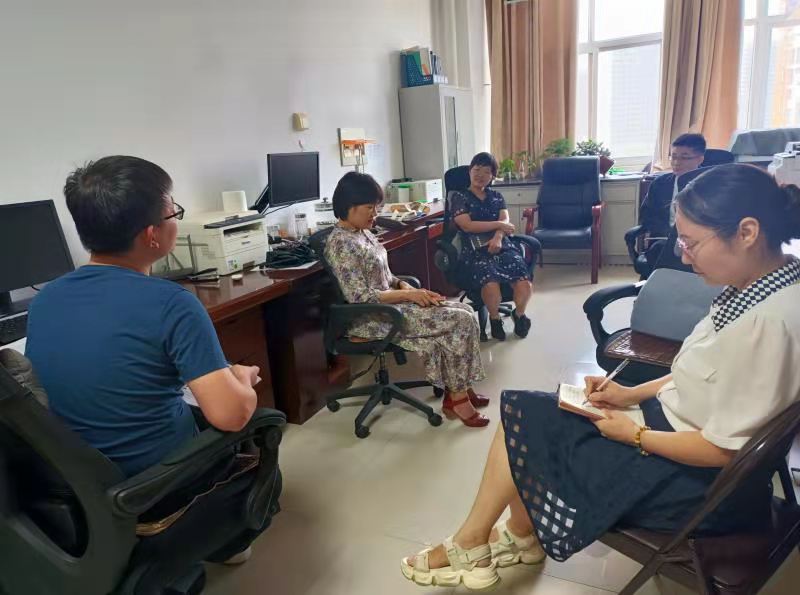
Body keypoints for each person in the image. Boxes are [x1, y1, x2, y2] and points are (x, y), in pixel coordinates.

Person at [400, 164, 800, 589]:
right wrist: (629, 395)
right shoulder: (760, 288)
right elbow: (700, 372)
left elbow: (725, 451)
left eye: (691, 242)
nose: (683, 255)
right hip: (682, 439)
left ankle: (476, 541)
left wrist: (635, 435)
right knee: (532, 412)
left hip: (699, 489)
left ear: (747, 232)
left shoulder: (769, 324)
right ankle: (514, 535)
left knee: (525, 422)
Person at [25, 155, 266, 563]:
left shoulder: (46, 299)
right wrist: (240, 379)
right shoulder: (173, 304)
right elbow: (232, 416)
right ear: (152, 234)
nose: (176, 218)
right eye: (173, 211)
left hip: (79, 486)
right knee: (254, 421)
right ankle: (226, 538)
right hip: (157, 485)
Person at [324, 171, 490, 427]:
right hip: (372, 317)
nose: (375, 213)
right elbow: (359, 297)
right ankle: (456, 398)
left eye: (376, 207)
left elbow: (385, 276)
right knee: (459, 321)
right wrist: (410, 294)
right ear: (349, 206)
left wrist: (403, 285)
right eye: (369, 207)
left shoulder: (362, 233)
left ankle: (460, 387)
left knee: (465, 312)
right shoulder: (341, 244)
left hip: (391, 305)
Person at [450, 152, 533, 341]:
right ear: (470, 171)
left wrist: (498, 236)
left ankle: (519, 314)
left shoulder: (496, 196)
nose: (480, 175)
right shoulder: (459, 197)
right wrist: (499, 225)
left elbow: (505, 220)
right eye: (477, 169)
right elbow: (467, 226)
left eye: (486, 172)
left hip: (502, 244)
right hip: (474, 249)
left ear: (492, 176)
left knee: (523, 280)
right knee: (490, 281)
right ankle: (495, 319)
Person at [640, 133, 707, 267]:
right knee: (658, 250)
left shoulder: (709, 184)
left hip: (697, 242)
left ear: (700, 159)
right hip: (664, 239)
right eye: (674, 157)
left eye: (684, 157)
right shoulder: (659, 183)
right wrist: (668, 235)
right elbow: (647, 215)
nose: (676, 162)